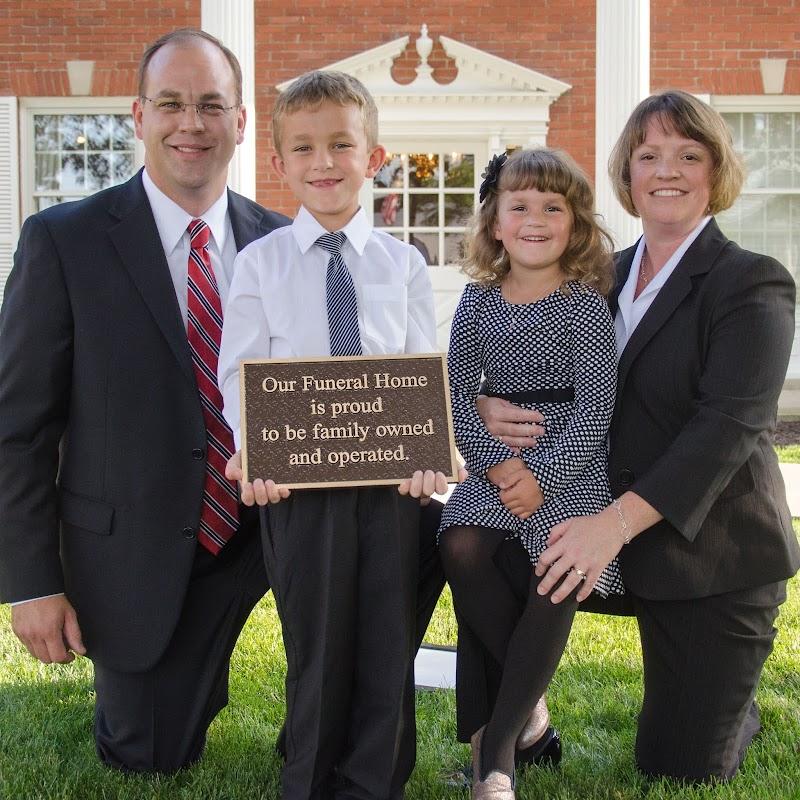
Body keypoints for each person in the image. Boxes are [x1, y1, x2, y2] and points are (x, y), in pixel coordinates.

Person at [0, 29, 445, 777]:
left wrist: (441, 428)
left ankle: (354, 718)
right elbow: (18, 427)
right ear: (138, 115)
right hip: (162, 536)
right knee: (149, 752)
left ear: (240, 123)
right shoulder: (63, 241)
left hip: (299, 508)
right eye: (171, 103)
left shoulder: (286, 236)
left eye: (211, 105)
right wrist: (33, 583)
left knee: (425, 538)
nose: (192, 123)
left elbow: (396, 370)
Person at [490, 90, 800, 783]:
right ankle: (516, 726)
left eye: (688, 155)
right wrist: (486, 405)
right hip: (601, 535)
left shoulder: (752, 283)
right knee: (472, 543)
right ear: (627, 172)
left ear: (715, 171)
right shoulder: (595, 277)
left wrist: (612, 526)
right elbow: (534, 371)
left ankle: (733, 704)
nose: (667, 171)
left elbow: (726, 429)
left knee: (676, 769)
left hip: (710, 556)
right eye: (649, 154)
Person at [218, 69, 442, 800]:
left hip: (391, 490)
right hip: (297, 489)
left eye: (342, 144)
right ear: (278, 163)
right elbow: (238, 371)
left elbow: (420, 369)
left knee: (386, 639)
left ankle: (375, 780)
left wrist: (427, 454)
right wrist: (253, 446)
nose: (324, 162)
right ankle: (309, 778)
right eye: (304, 147)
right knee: (315, 643)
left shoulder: (404, 264)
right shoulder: (259, 264)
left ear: (373, 158)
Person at [438, 148, 623, 799]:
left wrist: (542, 475)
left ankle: (496, 755)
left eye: (553, 207)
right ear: (496, 223)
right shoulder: (477, 300)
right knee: (460, 544)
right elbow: (457, 395)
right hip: (495, 459)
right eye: (520, 206)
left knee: (556, 566)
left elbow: (596, 409)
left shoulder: (584, 306)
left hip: (570, 463)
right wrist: (497, 463)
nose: (536, 220)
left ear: (576, 224)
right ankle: (532, 706)